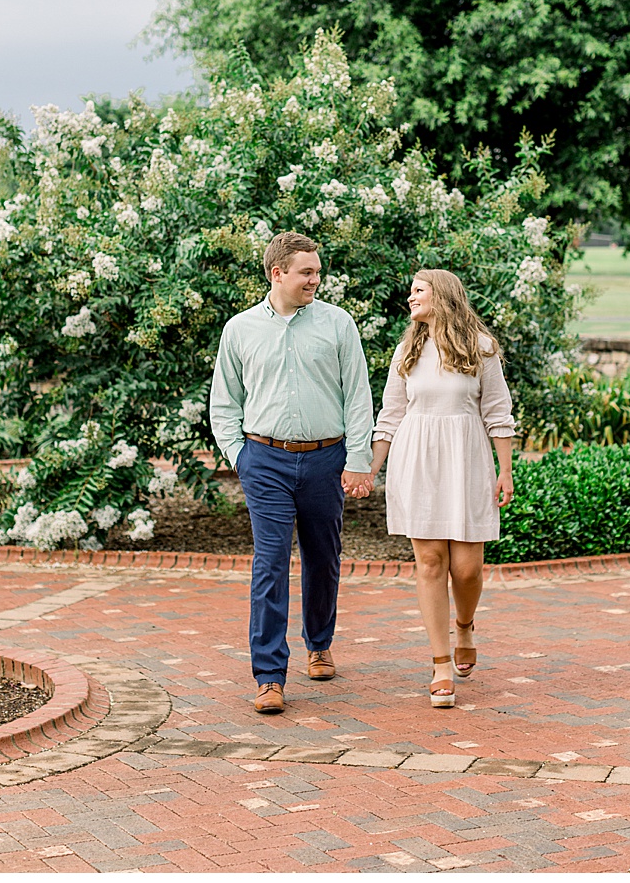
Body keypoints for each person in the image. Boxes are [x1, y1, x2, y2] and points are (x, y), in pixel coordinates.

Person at [209, 231, 376, 715]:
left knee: (324, 558)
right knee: (270, 562)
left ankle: (319, 642)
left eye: (317, 271)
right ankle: (268, 676)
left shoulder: (338, 323)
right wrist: (239, 456)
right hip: (265, 460)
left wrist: (358, 458)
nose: (315, 279)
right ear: (277, 272)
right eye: (306, 272)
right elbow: (224, 402)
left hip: (327, 458)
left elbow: (357, 396)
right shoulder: (239, 329)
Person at [365, 269, 515, 709]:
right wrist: (371, 469)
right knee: (430, 562)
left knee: (467, 569)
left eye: (419, 290)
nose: (410, 297)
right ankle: (440, 663)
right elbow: (390, 415)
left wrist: (504, 470)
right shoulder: (407, 349)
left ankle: (465, 624)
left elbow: (498, 410)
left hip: (466, 460)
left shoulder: (481, 348)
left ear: (443, 296)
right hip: (417, 460)